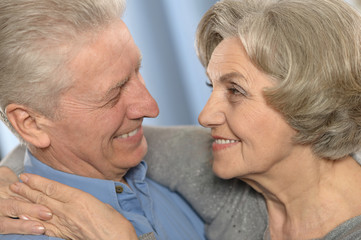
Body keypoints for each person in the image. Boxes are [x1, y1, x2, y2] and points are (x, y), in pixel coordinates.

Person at [3, 0, 361, 239]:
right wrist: (12, 180)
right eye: (114, 93)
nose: (204, 116)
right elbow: (52, 153)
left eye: (235, 91)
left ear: (311, 101)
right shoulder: (206, 166)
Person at [0, 0, 208, 239]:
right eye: (115, 93)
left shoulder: (180, 189)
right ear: (31, 123)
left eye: (137, 71)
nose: (151, 107)